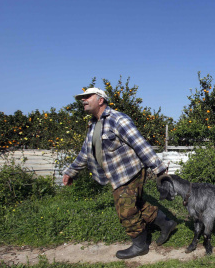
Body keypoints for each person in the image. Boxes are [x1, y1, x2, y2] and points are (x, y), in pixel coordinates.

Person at [62, 87, 176, 259]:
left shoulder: (117, 119)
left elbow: (140, 144)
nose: (83, 100)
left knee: (125, 210)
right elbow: (85, 152)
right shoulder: (93, 125)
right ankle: (167, 223)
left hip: (130, 171)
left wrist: (158, 168)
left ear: (100, 100)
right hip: (114, 174)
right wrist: (71, 171)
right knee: (136, 204)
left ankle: (140, 246)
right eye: (82, 98)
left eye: (87, 97)